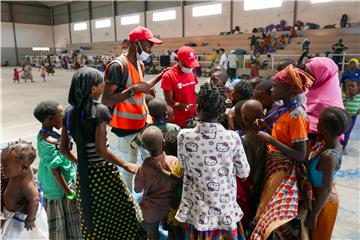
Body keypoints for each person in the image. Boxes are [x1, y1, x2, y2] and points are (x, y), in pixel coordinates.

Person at [60, 67, 145, 239]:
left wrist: (81, 162)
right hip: (104, 173)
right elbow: (101, 149)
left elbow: (63, 148)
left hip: (84, 175)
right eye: (101, 85)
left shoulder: (68, 113)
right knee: (127, 209)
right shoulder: (99, 111)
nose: (103, 89)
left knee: (94, 214)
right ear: (92, 89)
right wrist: (126, 164)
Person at [175, 83, 250, 239]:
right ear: (222, 111)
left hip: (197, 212)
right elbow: (244, 172)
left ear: (197, 108)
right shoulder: (233, 138)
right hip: (225, 211)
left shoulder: (184, 136)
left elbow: (182, 165)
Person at [252, 65, 314, 239]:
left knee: (270, 213)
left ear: (287, 89)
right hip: (275, 164)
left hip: (284, 169)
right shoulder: (283, 108)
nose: (272, 89)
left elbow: (300, 155)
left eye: (276, 86)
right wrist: (266, 127)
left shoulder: (297, 115)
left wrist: (270, 140)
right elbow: (284, 134)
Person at [102, 26, 166, 190]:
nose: (150, 49)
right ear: (136, 43)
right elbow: (107, 99)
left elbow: (138, 88)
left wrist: (149, 86)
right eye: (148, 45)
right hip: (125, 127)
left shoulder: (139, 64)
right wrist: (134, 90)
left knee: (141, 162)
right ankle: (127, 201)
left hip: (141, 123)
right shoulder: (117, 66)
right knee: (127, 168)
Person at [33, 100, 81, 239]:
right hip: (58, 190)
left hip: (62, 184)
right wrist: (69, 193)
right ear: (50, 119)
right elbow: (55, 171)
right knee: (61, 225)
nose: (64, 118)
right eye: (61, 115)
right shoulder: (47, 141)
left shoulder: (49, 134)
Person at [306, 107, 351, 239]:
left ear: (324, 128)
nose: (316, 123)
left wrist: (314, 214)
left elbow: (327, 188)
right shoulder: (329, 143)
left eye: (319, 121)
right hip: (320, 199)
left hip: (324, 205)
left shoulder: (329, 157)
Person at [134, 126, 179, 240]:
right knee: (172, 231)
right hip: (171, 207)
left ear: (144, 147)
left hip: (152, 210)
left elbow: (137, 189)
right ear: (164, 142)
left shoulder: (143, 168)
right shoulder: (174, 161)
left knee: (152, 233)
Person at [1, 141, 49, 239]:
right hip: (11, 213)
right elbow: (34, 169)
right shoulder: (18, 171)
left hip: (20, 218)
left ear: (24, 166)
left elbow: (34, 200)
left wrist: (30, 220)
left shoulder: (25, 184)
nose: (2, 169)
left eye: (6, 166)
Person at [235, 100, 266, 233]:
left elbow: (243, 171)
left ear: (244, 117)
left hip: (248, 189)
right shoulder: (267, 136)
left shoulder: (243, 140)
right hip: (262, 187)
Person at [305, 57, 344, 136]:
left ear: (322, 75)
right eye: (306, 74)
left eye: (310, 75)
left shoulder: (326, 102)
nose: (306, 79)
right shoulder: (311, 89)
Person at [161, 46, 199, 127]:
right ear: (178, 60)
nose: (190, 67)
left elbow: (192, 91)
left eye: (191, 64)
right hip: (179, 121)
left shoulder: (191, 72)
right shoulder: (168, 76)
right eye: (187, 64)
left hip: (193, 117)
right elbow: (169, 101)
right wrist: (186, 106)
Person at [340, 79, 360, 154]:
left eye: (352, 86)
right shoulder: (345, 96)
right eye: (349, 86)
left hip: (353, 117)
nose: (350, 88)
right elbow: (340, 103)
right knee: (342, 130)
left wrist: (358, 110)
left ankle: (343, 147)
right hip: (344, 116)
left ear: (358, 87)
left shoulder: (358, 96)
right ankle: (338, 144)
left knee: (348, 133)